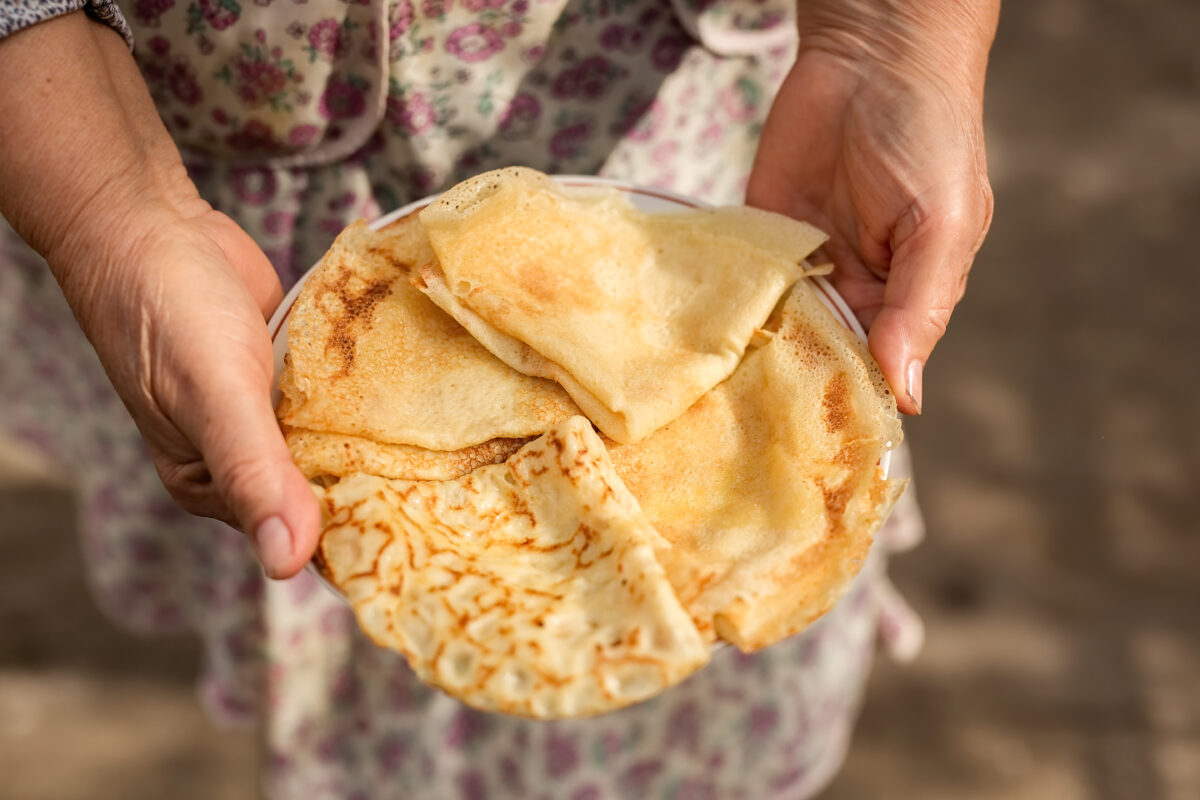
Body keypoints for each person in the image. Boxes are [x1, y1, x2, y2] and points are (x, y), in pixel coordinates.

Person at [0, 1, 995, 797]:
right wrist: (108, 208)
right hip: (181, 181)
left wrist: (892, 31)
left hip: (698, 164)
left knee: (728, 606)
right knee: (325, 561)